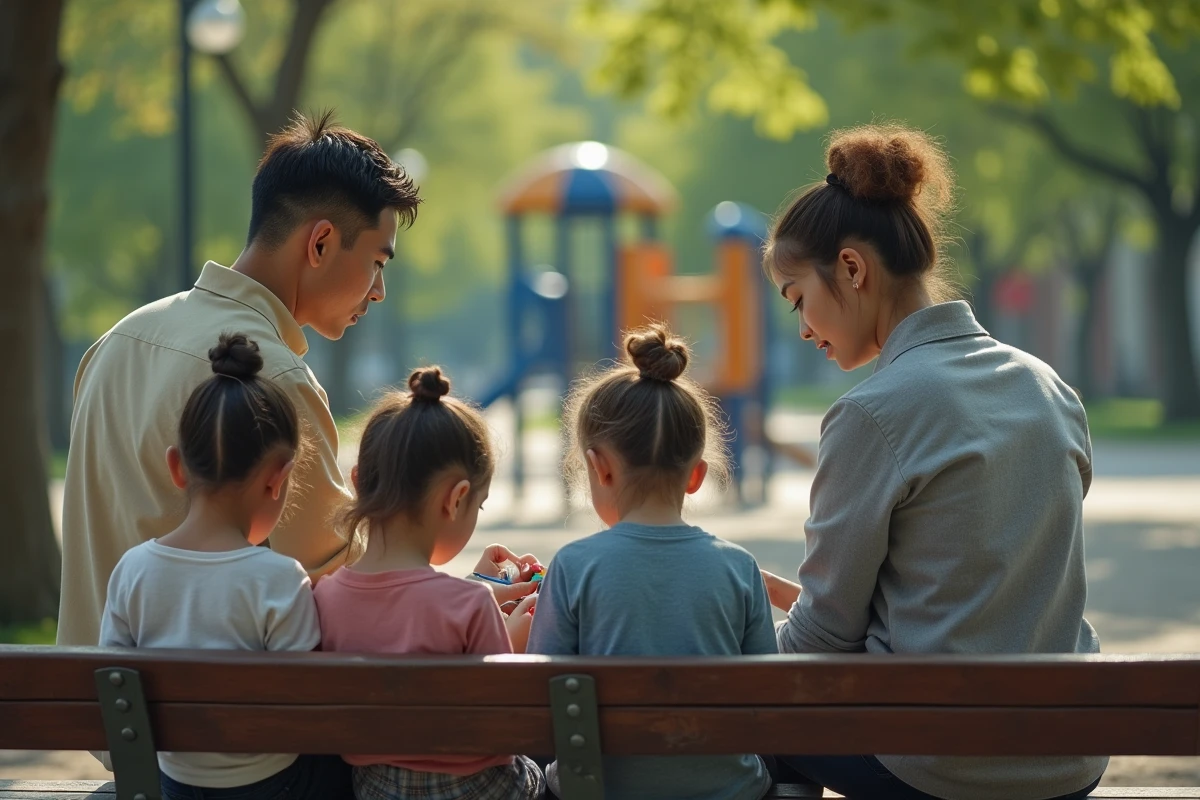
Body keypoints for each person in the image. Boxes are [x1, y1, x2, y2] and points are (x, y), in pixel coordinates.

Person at [760, 123, 1107, 799]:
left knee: (738, 735)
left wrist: (724, 635)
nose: (803, 328)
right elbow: (986, 585)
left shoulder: (872, 412)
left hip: (941, 765)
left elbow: (823, 640)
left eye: (800, 298)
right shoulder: (1048, 388)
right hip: (1067, 759)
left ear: (853, 269)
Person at [59, 110, 424, 648]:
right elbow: (345, 592)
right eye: (377, 262)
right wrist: (470, 596)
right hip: (204, 725)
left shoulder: (116, 342)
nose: (378, 291)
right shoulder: (274, 378)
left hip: (99, 710)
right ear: (320, 243)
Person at [528, 323, 777, 800]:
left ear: (600, 466)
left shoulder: (574, 566)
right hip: (730, 791)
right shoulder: (738, 567)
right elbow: (765, 697)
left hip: (595, 791)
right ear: (697, 475)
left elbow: (546, 696)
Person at [100, 333, 352, 800]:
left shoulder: (132, 571)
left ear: (177, 468)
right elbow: (306, 713)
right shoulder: (279, 579)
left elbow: (115, 693)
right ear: (278, 481)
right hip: (274, 785)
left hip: (172, 784)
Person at [314, 367, 546, 800]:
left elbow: (408, 606)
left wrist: (478, 588)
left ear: (359, 482)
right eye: (478, 504)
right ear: (456, 499)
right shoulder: (470, 605)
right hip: (480, 788)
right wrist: (514, 638)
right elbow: (505, 720)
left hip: (375, 788)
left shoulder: (325, 596)